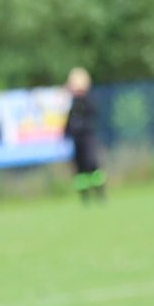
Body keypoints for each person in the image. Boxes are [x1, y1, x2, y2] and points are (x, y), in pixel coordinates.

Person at [65, 67, 106, 204]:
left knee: (91, 164)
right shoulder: (70, 103)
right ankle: (85, 199)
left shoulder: (88, 101)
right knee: (79, 170)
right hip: (76, 139)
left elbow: (93, 112)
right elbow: (68, 123)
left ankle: (100, 195)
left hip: (87, 137)